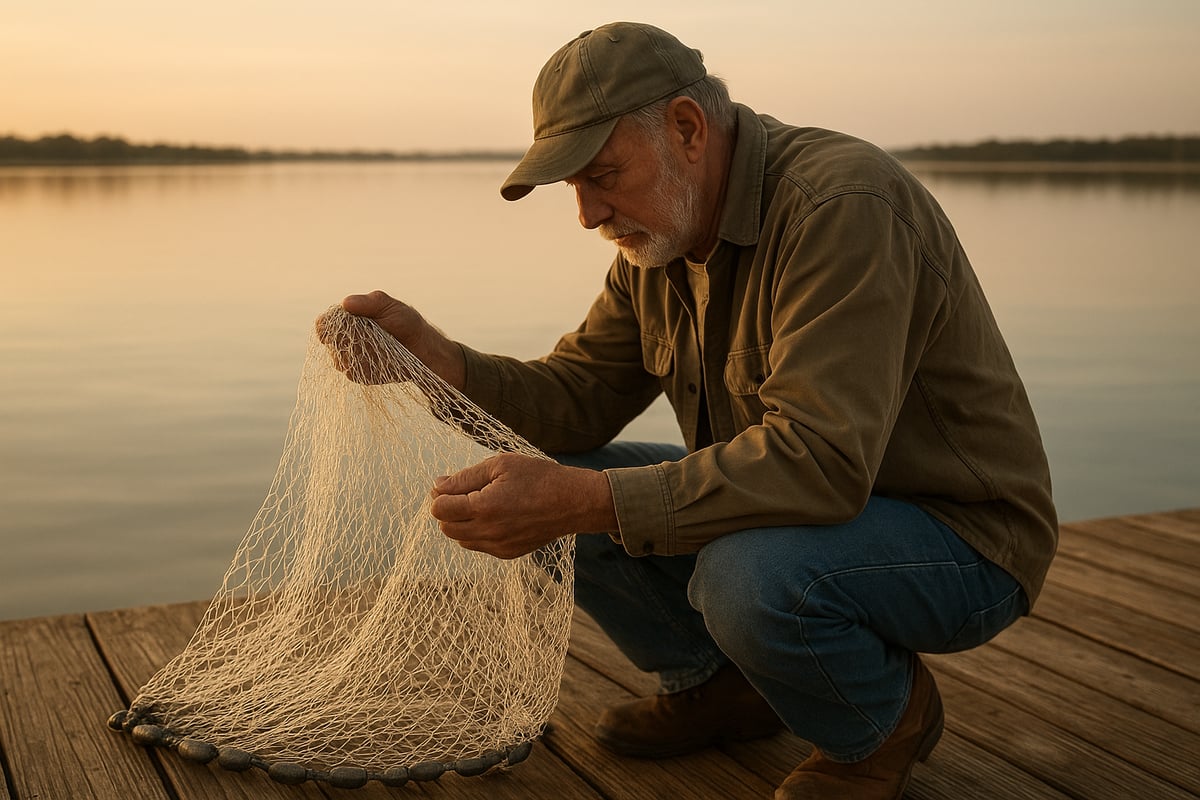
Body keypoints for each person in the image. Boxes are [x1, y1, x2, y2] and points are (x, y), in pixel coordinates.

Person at [331, 21, 1057, 800]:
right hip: (800, 514)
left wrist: (586, 501)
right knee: (551, 474)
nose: (587, 214)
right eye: (573, 186)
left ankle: (883, 725)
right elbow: (576, 402)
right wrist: (437, 364)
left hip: (962, 541)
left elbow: (820, 462)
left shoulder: (842, 205)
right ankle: (728, 686)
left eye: (602, 174)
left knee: (746, 575)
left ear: (686, 128)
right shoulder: (658, 241)